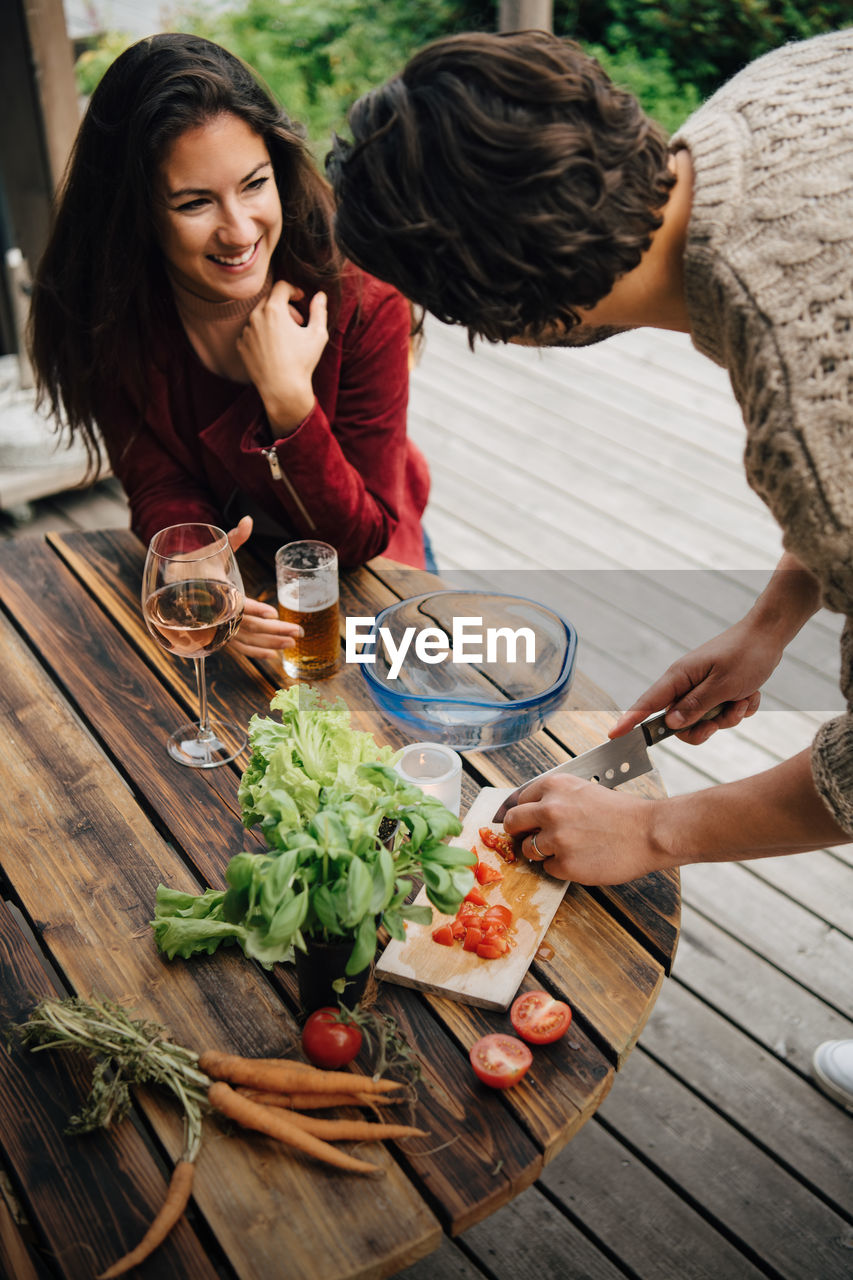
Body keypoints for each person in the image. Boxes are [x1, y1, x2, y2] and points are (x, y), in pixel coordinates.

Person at [328, 28, 853, 1107]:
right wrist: (773, 619)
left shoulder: (800, 412)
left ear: (508, 317)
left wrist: (655, 827)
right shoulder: (768, 97)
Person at [30, 33, 431, 660]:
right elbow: (155, 476)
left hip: (367, 580)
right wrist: (197, 569)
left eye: (254, 184)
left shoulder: (363, 301)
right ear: (137, 213)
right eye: (195, 202)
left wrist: (290, 403)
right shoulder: (109, 311)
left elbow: (361, 539)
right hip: (239, 577)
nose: (239, 230)